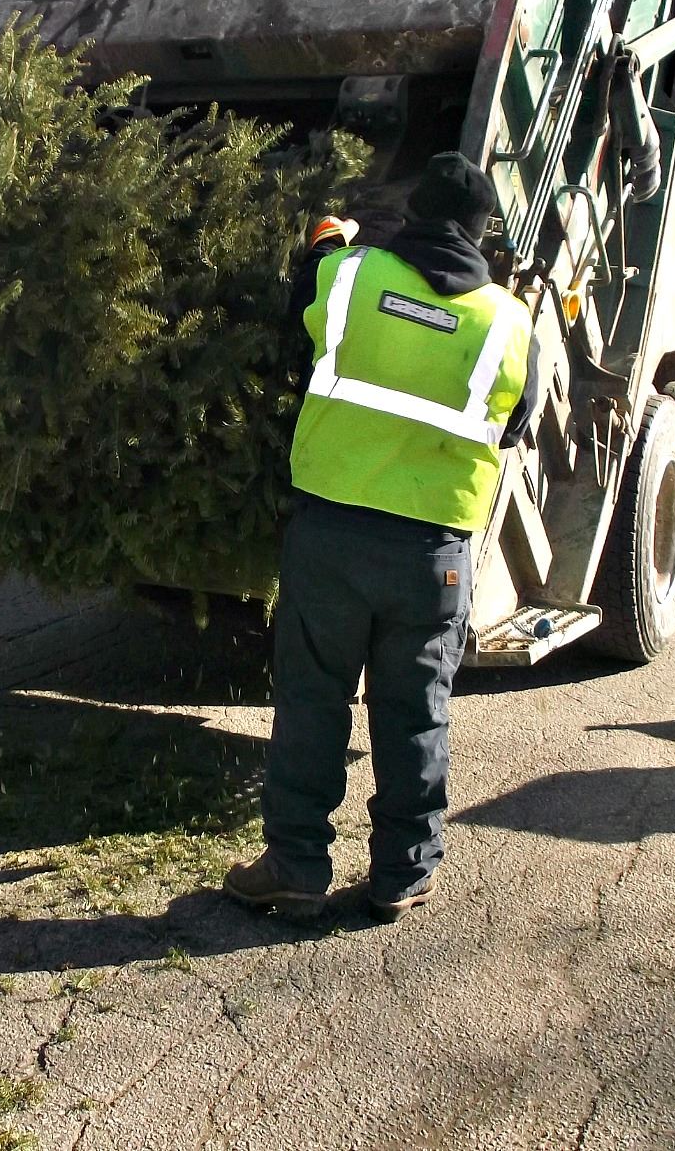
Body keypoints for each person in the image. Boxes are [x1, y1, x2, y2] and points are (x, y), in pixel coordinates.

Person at [225, 151, 533, 923]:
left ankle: (296, 865)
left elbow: (300, 312)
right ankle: (403, 871)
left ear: (414, 212)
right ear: (479, 233)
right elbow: (514, 424)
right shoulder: (507, 320)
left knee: (312, 700)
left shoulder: (351, 277)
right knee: (414, 710)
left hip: (332, 534)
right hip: (432, 554)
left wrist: (327, 240)